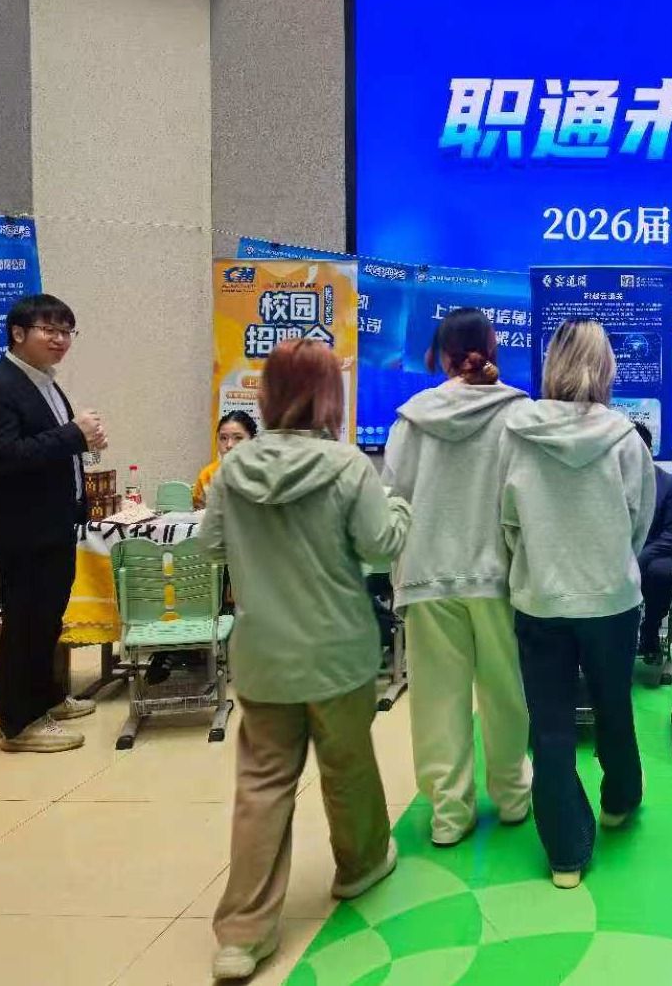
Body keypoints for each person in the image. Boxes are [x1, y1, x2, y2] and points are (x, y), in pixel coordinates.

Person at [201, 339, 411, 981]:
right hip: (337, 651)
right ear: (329, 396)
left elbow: (210, 549)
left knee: (262, 785)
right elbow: (381, 545)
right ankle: (360, 866)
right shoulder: (348, 467)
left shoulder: (232, 469)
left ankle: (243, 935)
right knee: (347, 767)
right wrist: (399, 504)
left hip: (263, 653)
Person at [499, 319, 654, 889]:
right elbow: (639, 520)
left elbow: (507, 518)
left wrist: (535, 560)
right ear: (605, 366)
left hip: (540, 597)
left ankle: (565, 852)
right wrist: (610, 559)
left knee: (550, 725)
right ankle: (620, 799)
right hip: (610, 598)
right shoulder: (625, 438)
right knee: (614, 704)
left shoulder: (516, 433)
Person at [383, 307, 533, 848]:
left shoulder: (412, 418)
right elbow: (525, 499)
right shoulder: (518, 414)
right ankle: (514, 797)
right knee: (506, 692)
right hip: (497, 576)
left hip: (426, 575)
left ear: (441, 356)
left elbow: (393, 497)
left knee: (437, 700)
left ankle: (449, 814)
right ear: (492, 348)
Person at [0, 294, 107, 754]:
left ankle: (46, 698)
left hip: (54, 522)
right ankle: (19, 723)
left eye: (67, 331)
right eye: (50, 330)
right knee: (25, 625)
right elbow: (5, 457)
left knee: (47, 621)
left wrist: (83, 443)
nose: (60, 340)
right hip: (23, 528)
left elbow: (52, 447)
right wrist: (73, 435)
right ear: (18, 333)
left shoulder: (44, 381)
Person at [633, 421, 672, 664]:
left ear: (649, 450)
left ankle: (651, 627)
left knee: (663, 572)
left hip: (654, 553)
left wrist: (640, 557)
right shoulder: (608, 480)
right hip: (616, 551)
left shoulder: (668, 484)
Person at [193, 411, 258, 510]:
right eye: (223, 438)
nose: (229, 445)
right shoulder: (207, 475)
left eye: (238, 438)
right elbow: (198, 512)